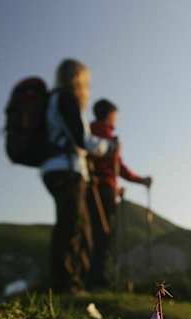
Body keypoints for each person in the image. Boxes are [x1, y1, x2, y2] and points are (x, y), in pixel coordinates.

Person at [41, 59, 116, 294]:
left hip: (53, 167)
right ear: (78, 79)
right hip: (67, 169)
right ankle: (66, 285)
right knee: (72, 226)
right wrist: (108, 147)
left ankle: (72, 282)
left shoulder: (52, 101)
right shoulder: (66, 99)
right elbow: (82, 139)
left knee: (75, 225)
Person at [87, 99, 152, 288]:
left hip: (95, 186)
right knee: (104, 233)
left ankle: (91, 276)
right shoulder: (106, 137)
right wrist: (140, 180)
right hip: (103, 188)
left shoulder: (89, 132)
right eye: (115, 116)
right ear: (109, 115)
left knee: (93, 231)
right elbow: (119, 168)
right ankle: (99, 279)